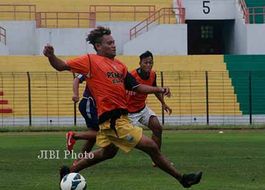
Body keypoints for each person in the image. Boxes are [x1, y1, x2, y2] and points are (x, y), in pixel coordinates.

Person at [43, 26, 202, 188]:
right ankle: (183, 179)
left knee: (107, 153)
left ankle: (70, 171)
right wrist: (51, 56)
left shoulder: (120, 66)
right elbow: (61, 65)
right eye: (109, 43)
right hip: (113, 121)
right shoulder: (90, 60)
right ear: (98, 46)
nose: (113, 45)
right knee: (152, 146)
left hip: (119, 118)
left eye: (114, 42)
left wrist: (159, 89)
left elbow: (137, 87)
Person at [127, 50, 171, 152]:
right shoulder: (131, 76)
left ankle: (157, 157)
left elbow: (154, 88)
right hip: (128, 113)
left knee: (157, 128)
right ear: (140, 63)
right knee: (115, 145)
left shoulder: (152, 75)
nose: (148, 65)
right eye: (145, 62)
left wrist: (163, 103)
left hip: (142, 109)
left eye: (150, 63)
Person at [66, 74, 99, 156]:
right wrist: (75, 94)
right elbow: (77, 79)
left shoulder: (108, 68)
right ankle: (74, 136)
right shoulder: (91, 66)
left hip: (95, 106)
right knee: (103, 132)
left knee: (93, 135)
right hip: (90, 104)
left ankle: (79, 160)